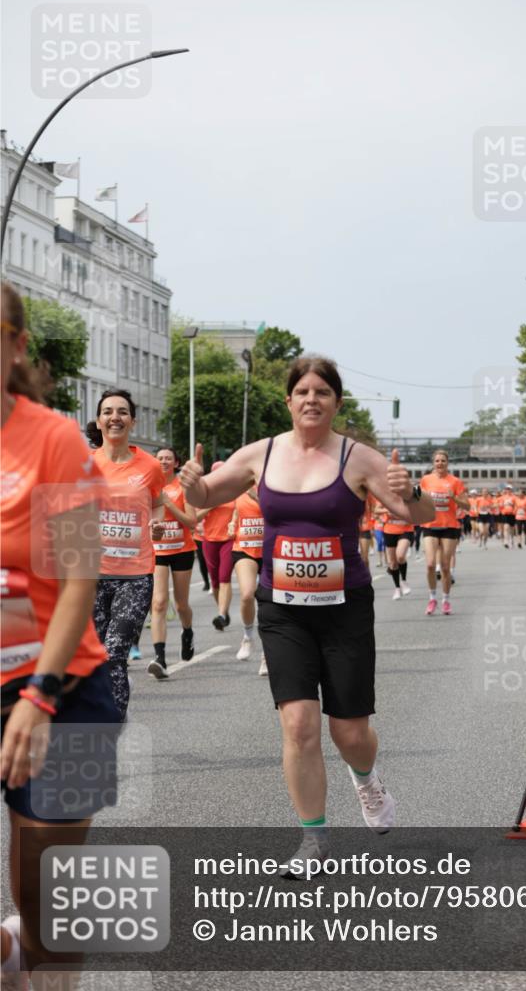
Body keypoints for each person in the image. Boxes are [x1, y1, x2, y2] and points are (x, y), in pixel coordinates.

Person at [179, 356, 435, 871]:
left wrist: (415, 492)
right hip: (284, 609)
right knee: (298, 725)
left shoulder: (359, 459)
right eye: (303, 391)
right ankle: (313, 840)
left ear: (336, 402)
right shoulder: (262, 454)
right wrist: (191, 482)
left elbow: (417, 516)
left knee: (350, 733)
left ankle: (366, 781)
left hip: (345, 610)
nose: (312, 399)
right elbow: (206, 496)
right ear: (289, 400)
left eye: (322, 391)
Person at [1, 281, 121, 986]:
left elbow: (81, 578)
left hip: (63, 690)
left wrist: (38, 696)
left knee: (49, 912)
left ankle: (34, 952)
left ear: (15, 345)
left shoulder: (51, 437)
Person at [89, 389, 166, 718]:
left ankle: (110, 727)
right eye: (108, 412)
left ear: (132, 421)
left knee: (114, 652)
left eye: (122, 412)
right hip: (90, 577)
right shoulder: (84, 465)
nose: (114, 417)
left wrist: (156, 525)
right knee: (94, 658)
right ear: (99, 421)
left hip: (134, 577)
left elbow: (159, 503)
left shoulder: (149, 466)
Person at [148, 448, 196, 679]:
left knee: (181, 604)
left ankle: (187, 632)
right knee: (158, 602)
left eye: (168, 458)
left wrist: (168, 503)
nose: (164, 461)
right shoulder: (149, 486)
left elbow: (191, 521)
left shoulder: (182, 488)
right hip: (157, 550)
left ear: (176, 462)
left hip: (182, 550)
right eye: (160, 459)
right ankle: (160, 658)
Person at [419, 450, 468, 615]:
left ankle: (446, 600)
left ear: (448, 463)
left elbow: (467, 506)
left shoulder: (455, 482)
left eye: (443, 461)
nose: (440, 463)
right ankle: (432, 598)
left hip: (449, 527)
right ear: (434, 463)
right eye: (437, 461)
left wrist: (454, 498)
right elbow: (419, 500)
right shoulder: (426, 480)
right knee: (430, 564)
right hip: (430, 526)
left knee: (446, 567)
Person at [230, 484, 268, 675]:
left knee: (269, 603)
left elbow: (279, 513)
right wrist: (232, 522)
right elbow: (236, 510)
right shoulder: (240, 485)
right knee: (247, 594)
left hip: (271, 550)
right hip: (244, 548)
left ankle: (267, 655)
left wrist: (257, 497)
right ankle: (247, 636)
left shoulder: (273, 482)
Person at [200, 463, 236, 631]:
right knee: (214, 580)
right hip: (209, 539)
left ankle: (221, 615)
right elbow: (195, 516)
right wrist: (212, 504)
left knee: (224, 577)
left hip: (229, 539)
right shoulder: (206, 493)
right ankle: (223, 611)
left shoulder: (235, 491)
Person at [382, 510, 414, 600]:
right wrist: (387, 510)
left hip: (406, 529)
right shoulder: (387, 496)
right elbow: (376, 509)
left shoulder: (408, 496)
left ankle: (404, 581)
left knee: (400, 556)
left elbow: (416, 509)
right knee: (392, 563)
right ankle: (397, 588)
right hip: (389, 530)